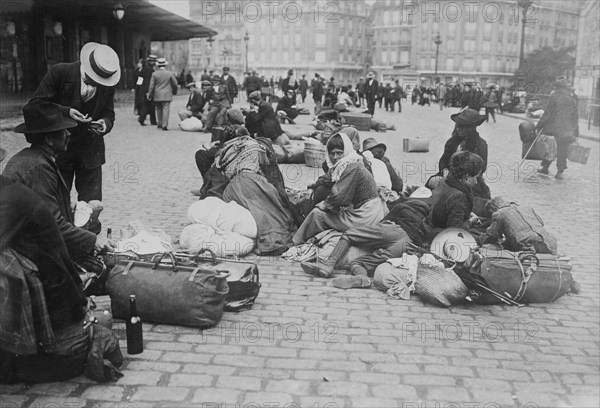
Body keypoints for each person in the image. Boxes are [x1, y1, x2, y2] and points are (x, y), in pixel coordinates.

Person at [3, 101, 114, 261]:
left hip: (23, 238)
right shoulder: (38, 167)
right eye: (63, 131)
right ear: (49, 139)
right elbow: (52, 224)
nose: (69, 134)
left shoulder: (34, 158)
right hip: (21, 247)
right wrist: (93, 240)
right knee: (70, 281)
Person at [28, 42, 119, 225]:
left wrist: (104, 124)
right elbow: (35, 105)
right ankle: (62, 246)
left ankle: (89, 245)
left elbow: (109, 112)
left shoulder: (107, 81)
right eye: (95, 79)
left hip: (91, 152)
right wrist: (67, 112)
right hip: (60, 150)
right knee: (58, 205)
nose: (99, 84)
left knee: (92, 208)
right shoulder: (60, 72)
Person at [292, 133, 387, 245]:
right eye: (332, 153)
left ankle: (295, 242)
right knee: (321, 196)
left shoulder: (353, 166)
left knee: (317, 214)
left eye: (339, 153)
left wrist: (322, 205)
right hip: (364, 210)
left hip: (367, 215)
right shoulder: (344, 164)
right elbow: (327, 178)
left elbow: (338, 197)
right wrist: (312, 187)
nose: (335, 157)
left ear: (346, 151)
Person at [300, 199, 429, 279]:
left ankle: (328, 265)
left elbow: (384, 222)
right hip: (410, 248)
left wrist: (373, 234)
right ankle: (362, 278)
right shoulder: (425, 222)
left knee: (349, 235)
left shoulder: (402, 207)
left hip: (397, 232)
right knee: (359, 263)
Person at [424, 151, 485, 242]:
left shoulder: (446, 180)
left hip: (432, 223)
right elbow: (454, 231)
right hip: (439, 233)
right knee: (485, 237)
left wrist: (470, 214)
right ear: (467, 176)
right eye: (476, 177)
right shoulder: (458, 196)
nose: (476, 182)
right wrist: (470, 221)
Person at [430, 108, 491, 199]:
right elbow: (443, 161)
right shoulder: (452, 142)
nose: (458, 129)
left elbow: (481, 168)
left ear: (472, 128)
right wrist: (445, 170)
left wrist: (463, 176)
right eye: (457, 126)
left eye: (462, 127)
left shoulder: (480, 145)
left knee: (473, 197)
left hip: (469, 178)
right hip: (449, 175)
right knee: (431, 183)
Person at [536, 76, 579, 180]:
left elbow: (548, 113)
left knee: (550, 148)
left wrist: (540, 124)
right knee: (562, 150)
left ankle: (545, 168)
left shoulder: (554, 97)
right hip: (567, 130)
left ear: (557, 87)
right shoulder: (572, 99)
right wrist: (576, 131)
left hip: (554, 128)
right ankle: (560, 172)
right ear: (565, 88)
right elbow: (575, 117)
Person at [481, 197, 558, 254]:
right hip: (550, 243)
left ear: (492, 209)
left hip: (528, 246)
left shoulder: (499, 213)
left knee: (493, 245)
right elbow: (541, 223)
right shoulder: (527, 207)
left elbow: (492, 234)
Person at [243, 91, 304, 163]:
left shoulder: (263, 106)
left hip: (269, 128)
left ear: (253, 100)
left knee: (252, 123)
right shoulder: (264, 104)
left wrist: (251, 111)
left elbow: (257, 118)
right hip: (273, 126)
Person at [147, 57, 178, 131]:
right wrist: (174, 91)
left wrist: (149, 95)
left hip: (157, 94)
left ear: (158, 65)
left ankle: (159, 123)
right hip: (167, 94)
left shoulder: (154, 74)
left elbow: (151, 86)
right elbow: (175, 84)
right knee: (166, 109)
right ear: (165, 65)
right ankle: (164, 125)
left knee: (158, 109)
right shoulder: (170, 73)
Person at [138, 55, 157, 126]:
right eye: (153, 61)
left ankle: (153, 121)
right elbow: (149, 82)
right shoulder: (150, 70)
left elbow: (140, 79)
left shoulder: (144, 69)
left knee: (150, 106)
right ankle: (142, 119)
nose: (154, 62)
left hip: (143, 90)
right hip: (148, 90)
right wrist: (148, 92)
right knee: (147, 105)